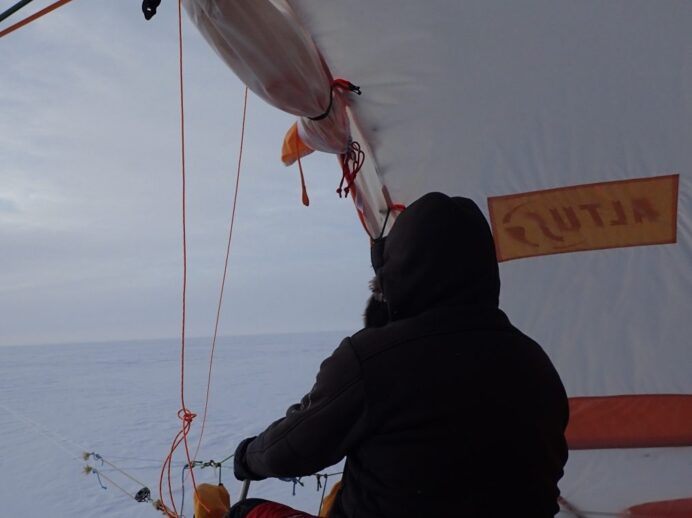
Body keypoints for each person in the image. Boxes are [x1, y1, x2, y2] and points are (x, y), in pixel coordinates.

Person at [229, 192, 569, 517]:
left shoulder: (372, 360)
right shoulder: (535, 363)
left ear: (400, 271)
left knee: (245, 512)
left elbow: (291, 449)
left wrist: (247, 457)